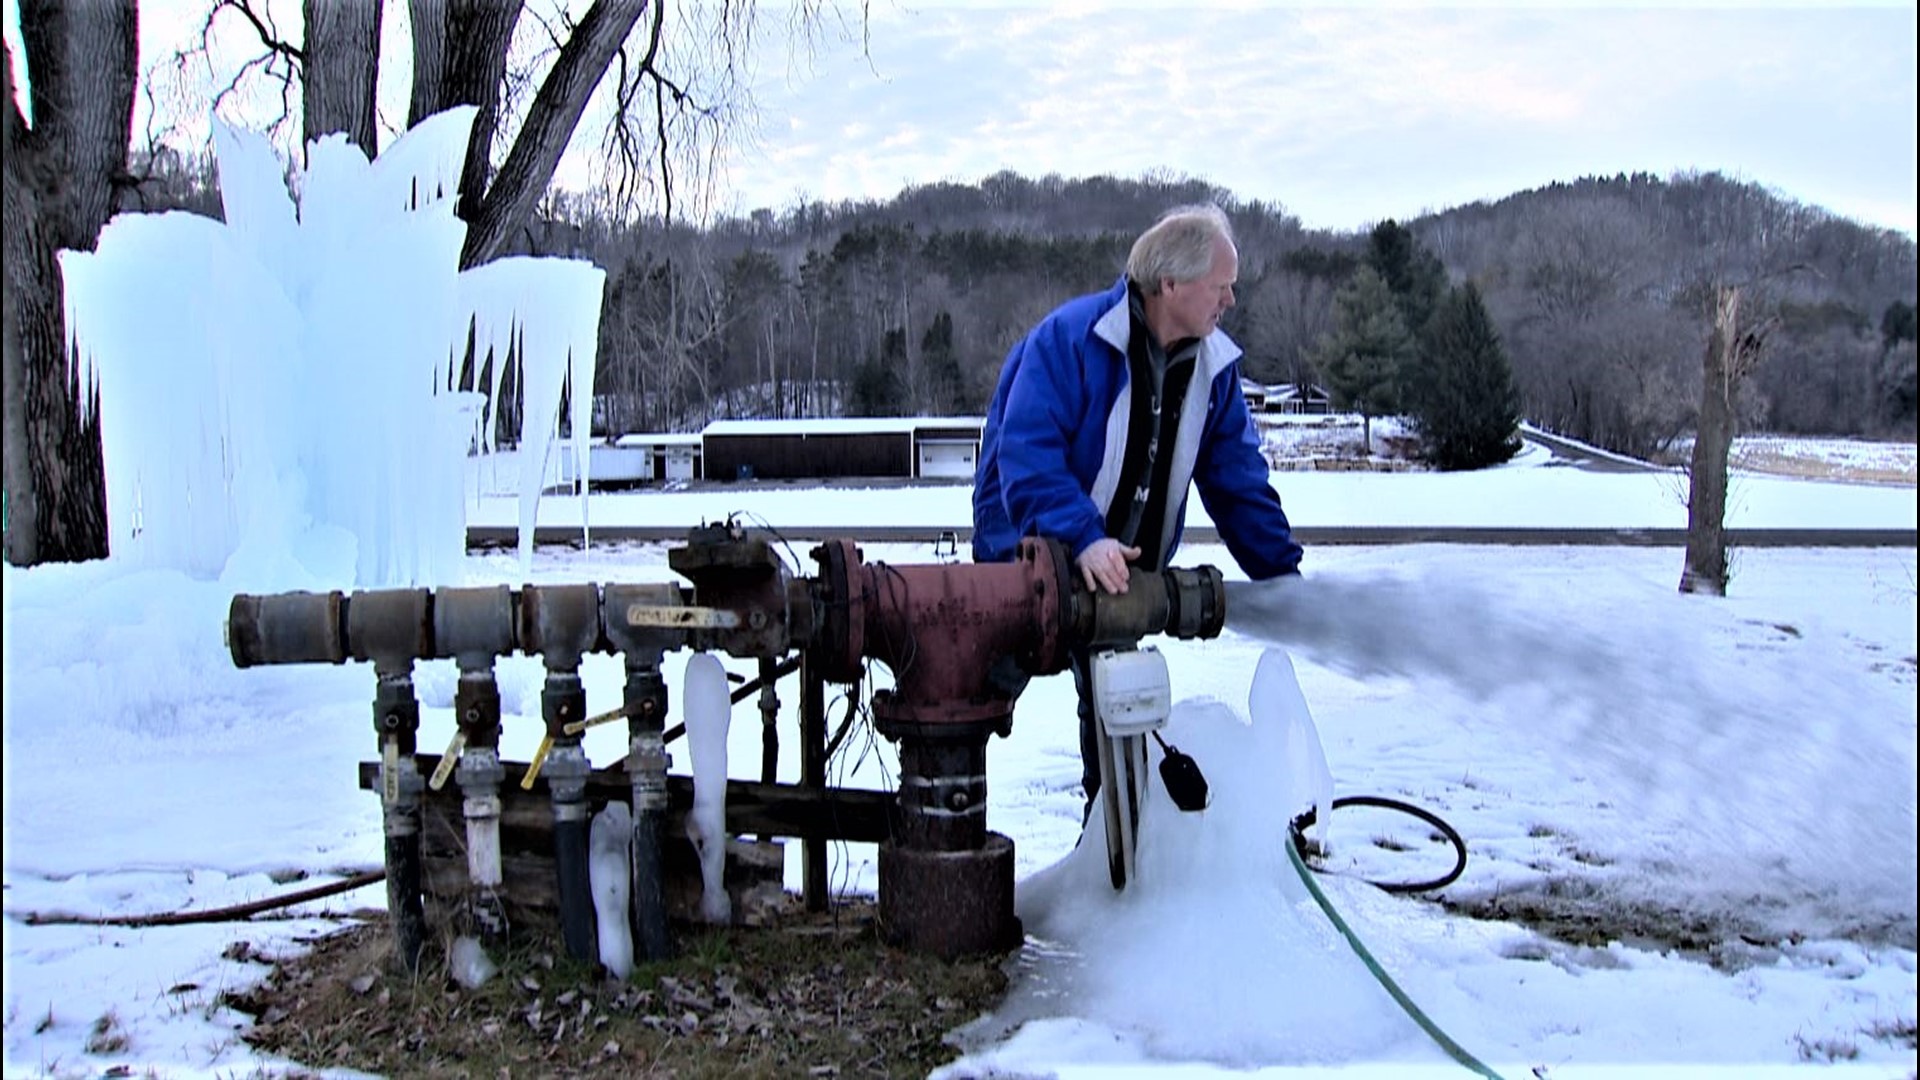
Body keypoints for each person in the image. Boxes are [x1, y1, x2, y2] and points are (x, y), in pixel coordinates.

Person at [972, 202, 1304, 811]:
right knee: (972, 695)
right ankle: (951, 831)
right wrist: (1080, 537)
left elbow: (1239, 481)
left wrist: (1281, 575)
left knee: (1117, 722)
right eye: (1221, 287)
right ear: (1170, 284)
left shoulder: (1215, 369)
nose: (1230, 300)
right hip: (1027, 562)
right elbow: (1026, 450)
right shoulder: (1069, 341)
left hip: (1120, 577)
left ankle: (1109, 870)